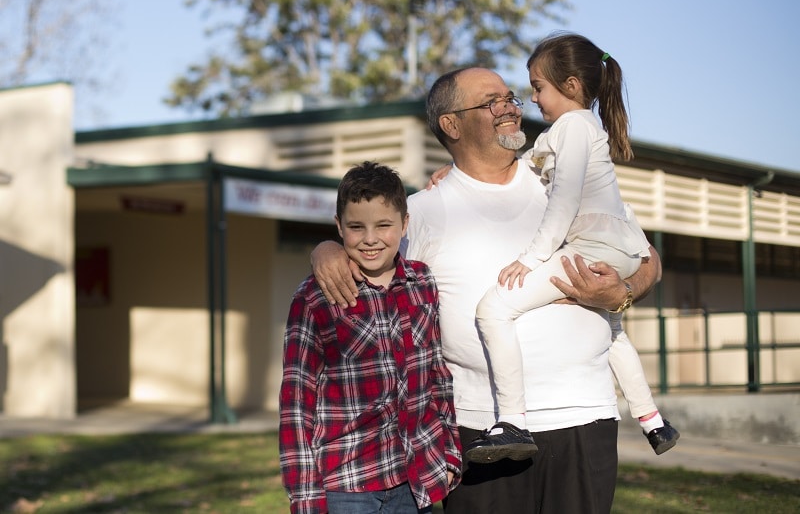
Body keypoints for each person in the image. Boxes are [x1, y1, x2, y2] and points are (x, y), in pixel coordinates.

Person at [311, 67, 661, 513]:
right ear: (451, 125)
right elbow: (367, 252)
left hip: (584, 418)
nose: (511, 108)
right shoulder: (422, 212)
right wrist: (325, 249)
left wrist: (622, 293)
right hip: (479, 429)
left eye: (510, 98)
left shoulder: (561, 178)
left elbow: (647, 255)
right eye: (491, 102)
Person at [458, 32, 679, 463]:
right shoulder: (571, 130)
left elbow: (564, 201)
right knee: (612, 331)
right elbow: (526, 167)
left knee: (494, 309)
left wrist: (531, 258)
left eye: (538, 87)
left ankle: (512, 422)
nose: (533, 98)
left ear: (572, 86)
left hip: (594, 244)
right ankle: (653, 421)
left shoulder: (575, 126)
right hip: (617, 245)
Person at [279, 161, 461, 514]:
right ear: (338, 227)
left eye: (384, 225)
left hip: (414, 479)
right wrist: (305, 498)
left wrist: (449, 452)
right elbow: (296, 403)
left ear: (405, 225)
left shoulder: (423, 283)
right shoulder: (315, 297)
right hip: (346, 485)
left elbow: (437, 373)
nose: (371, 238)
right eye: (356, 227)